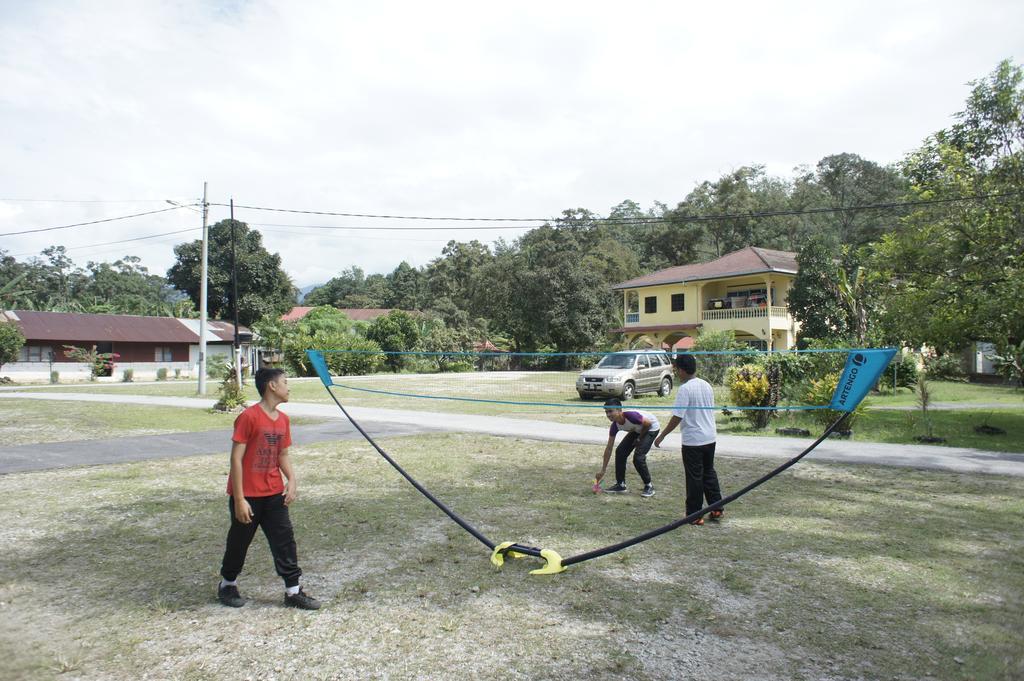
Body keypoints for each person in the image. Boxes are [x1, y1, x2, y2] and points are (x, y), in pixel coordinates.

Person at [217, 367, 321, 609]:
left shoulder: (283, 420)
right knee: (239, 542)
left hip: (274, 493)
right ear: (272, 386)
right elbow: (236, 459)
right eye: (285, 382)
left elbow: (282, 454)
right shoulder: (249, 417)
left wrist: (292, 480)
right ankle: (227, 585)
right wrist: (240, 499)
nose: (288, 387)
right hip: (248, 496)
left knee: (284, 541)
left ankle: (293, 591)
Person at [654, 354, 723, 525]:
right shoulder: (706, 385)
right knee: (709, 472)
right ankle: (717, 508)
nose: (676, 373)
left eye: (677, 369)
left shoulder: (685, 389)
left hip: (693, 440)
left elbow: (678, 416)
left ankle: (695, 515)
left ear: (683, 370)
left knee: (694, 477)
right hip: (709, 437)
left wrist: (662, 435)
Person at [596, 398, 660, 498]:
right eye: (606, 412)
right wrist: (603, 470)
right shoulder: (615, 426)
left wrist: (639, 439)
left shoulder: (631, 416)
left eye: (610, 411)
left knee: (638, 458)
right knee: (620, 452)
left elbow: (648, 424)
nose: (608, 415)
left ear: (619, 410)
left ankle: (649, 486)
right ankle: (620, 485)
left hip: (651, 428)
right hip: (637, 429)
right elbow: (609, 448)